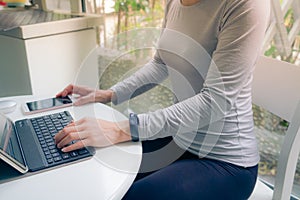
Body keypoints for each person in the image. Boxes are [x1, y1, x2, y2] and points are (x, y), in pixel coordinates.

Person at [54, 0, 270, 199]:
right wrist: (109, 94)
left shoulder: (246, 5)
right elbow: (160, 64)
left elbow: (215, 101)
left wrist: (119, 130)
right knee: (99, 168)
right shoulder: (175, 2)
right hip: (179, 140)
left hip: (225, 161)